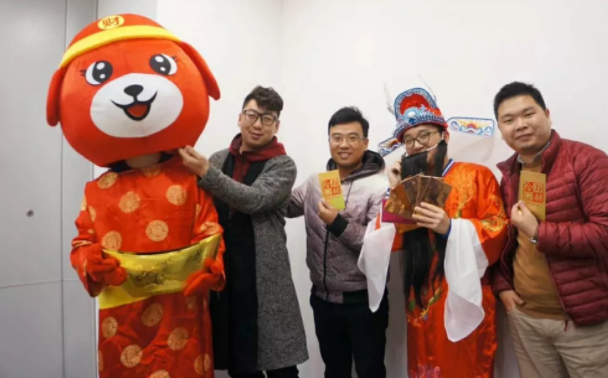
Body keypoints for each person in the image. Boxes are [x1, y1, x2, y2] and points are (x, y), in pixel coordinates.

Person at [48, 14, 225, 377]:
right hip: (123, 317)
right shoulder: (97, 191)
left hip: (182, 311)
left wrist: (214, 267)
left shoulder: (189, 180)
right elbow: (81, 243)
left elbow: (210, 231)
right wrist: (91, 261)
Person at [359, 87, 508, 378]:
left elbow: (498, 230)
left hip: (464, 296)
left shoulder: (477, 175)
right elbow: (386, 241)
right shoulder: (409, 187)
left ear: (444, 136)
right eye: (409, 140)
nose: (416, 145)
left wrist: (451, 228)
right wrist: (395, 190)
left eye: (424, 135)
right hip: (421, 299)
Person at [491, 82, 608, 378]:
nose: (520, 125)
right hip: (526, 318)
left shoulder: (588, 161)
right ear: (501, 130)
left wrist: (539, 232)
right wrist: (502, 287)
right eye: (509, 120)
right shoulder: (510, 174)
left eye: (528, 114)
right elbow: (505, 239)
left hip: (584, 322)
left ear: (547, 114)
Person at [180, 86, 308, 378]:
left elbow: (254, 199)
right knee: (240, 366)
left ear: (276, 126)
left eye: (267, 118)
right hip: (225, 275)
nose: (258, 124)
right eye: (252, 115)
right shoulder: (218, 159)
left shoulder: (283, 165)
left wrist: (206, 173)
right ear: (240, 118)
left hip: (265, 278)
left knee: (281, 368)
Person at [287, 107, 389, 378]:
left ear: (365, 142)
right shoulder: (318, 182)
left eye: (352, 137)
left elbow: (376, 246)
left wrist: (337, 222)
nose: (344, 144)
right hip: (323, 299)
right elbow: (285, 206)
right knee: (334, 371)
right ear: (329, 140)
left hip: (364, 302)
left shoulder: (381, 187)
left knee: (370, 371)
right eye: (337, 137)